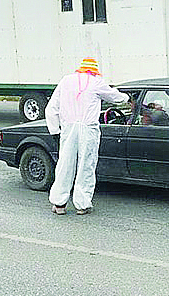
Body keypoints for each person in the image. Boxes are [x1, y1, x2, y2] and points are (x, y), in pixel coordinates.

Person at [45, 57, 128, 215]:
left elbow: (51, 108)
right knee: (86, 164)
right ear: (95, 70)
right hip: (88, 129)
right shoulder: (97, 82)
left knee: (65, 164)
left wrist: (54, 131)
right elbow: (116, 98)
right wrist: (127, 98)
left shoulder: (66, 80)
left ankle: (59, 204)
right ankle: (82, 204)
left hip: (68, 128)